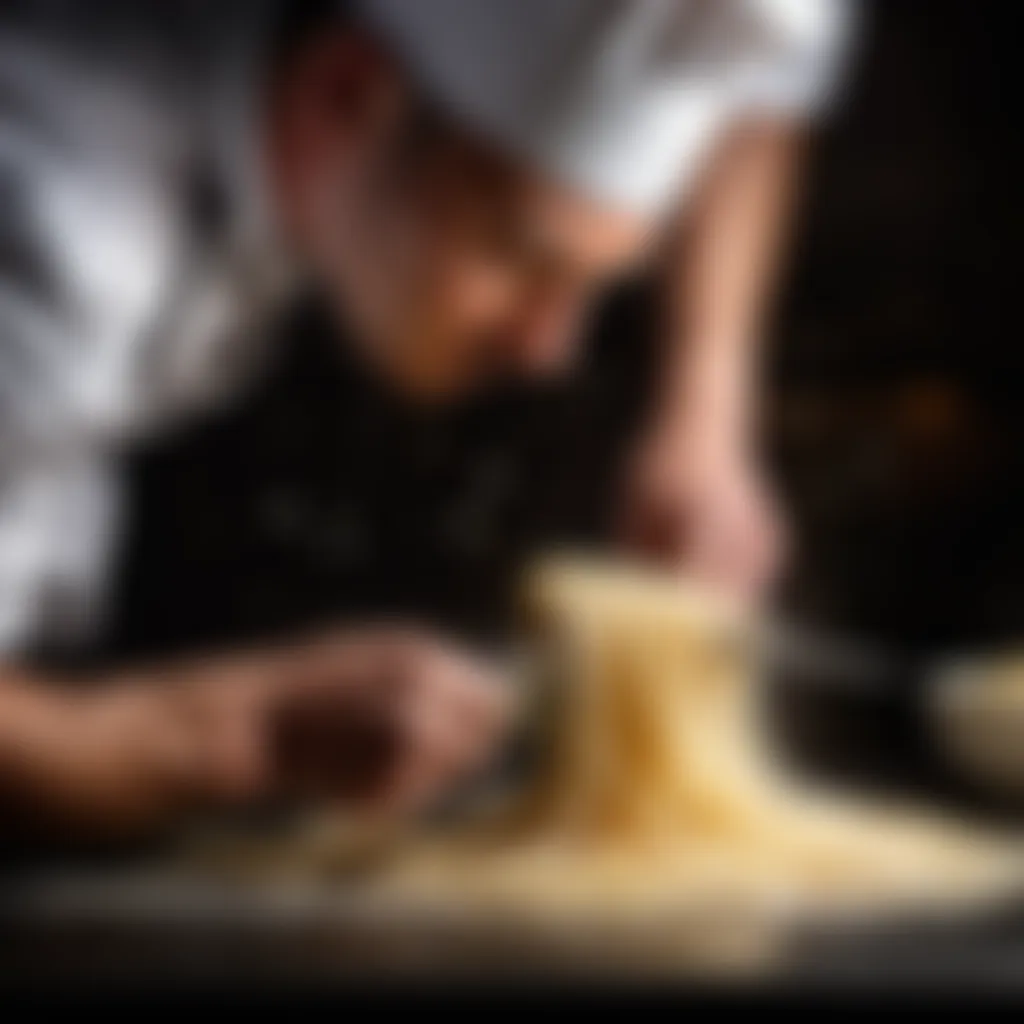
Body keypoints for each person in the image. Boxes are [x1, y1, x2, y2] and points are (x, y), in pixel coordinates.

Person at [0, 0, 854, 834]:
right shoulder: (57, 231)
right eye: (521, 257)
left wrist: (704, 415)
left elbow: (767, 79)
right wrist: (233, 731)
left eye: (593, 288)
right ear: (347, 96)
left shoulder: (304, 151)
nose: (547, 351)